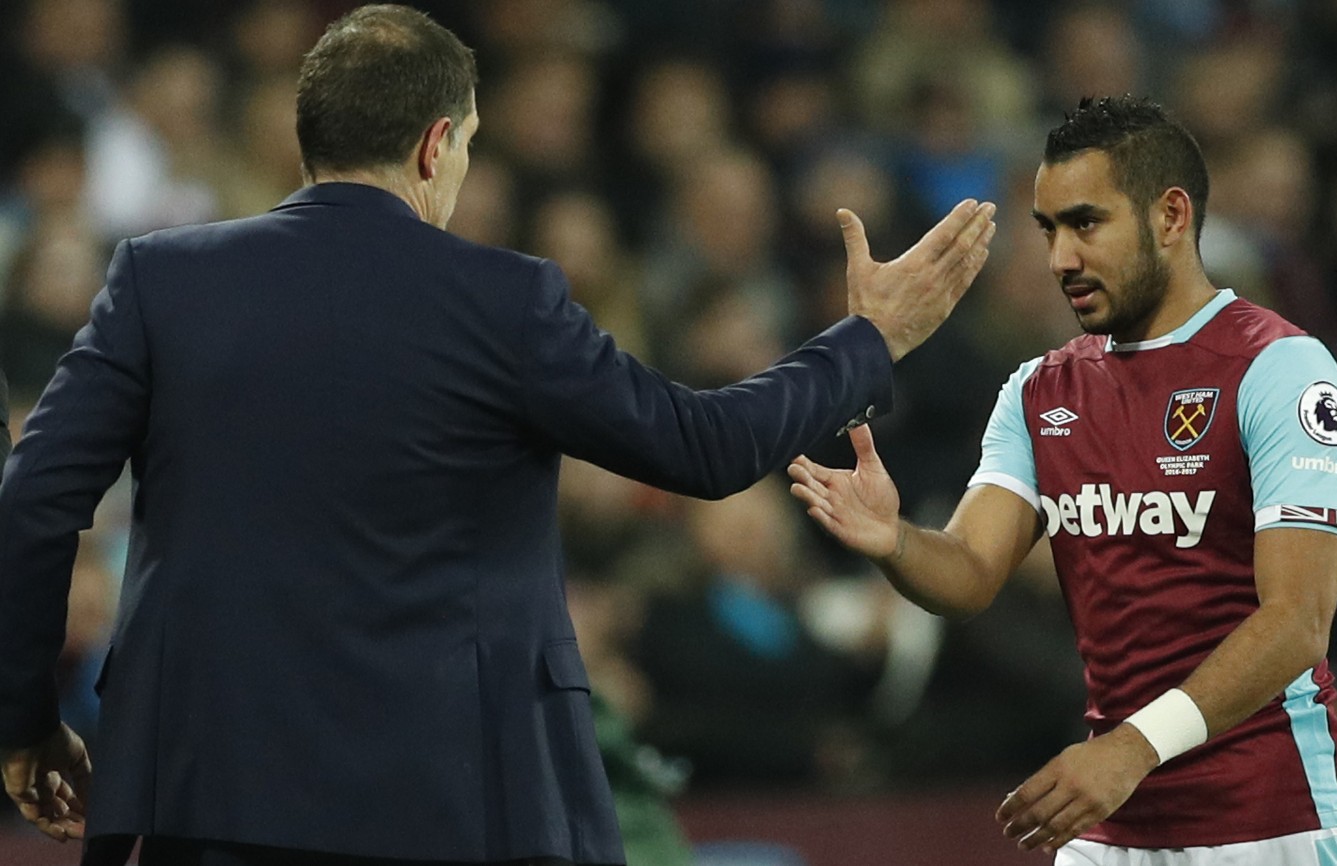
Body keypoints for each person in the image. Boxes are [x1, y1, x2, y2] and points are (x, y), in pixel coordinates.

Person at [0, 5, 997, 866]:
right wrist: (870, 340)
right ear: (439, 144)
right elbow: (705, 445)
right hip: (455, 795)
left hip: (207, 784)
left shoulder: (159, 283)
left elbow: (33, 502)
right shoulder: (503, 300)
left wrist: (28, 723)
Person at [789, 96, 1337, 865]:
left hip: (1284, 824)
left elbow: (1298, 620)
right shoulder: (1039, 392)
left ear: (1171, 216)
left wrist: (1133, 748)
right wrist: (893, 542)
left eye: (1085, 223)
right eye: (1048, 230)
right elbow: (969, 574)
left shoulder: (1281, 368)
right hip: (1115, 823)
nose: (1059, 258)